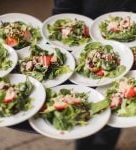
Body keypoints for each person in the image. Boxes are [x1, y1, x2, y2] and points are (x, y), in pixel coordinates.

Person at [52, 0, 136, 150]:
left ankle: (106, 145)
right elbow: (63, 12)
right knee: (84, 113)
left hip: (130, 58)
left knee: (116, 113)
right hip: (82, 53)